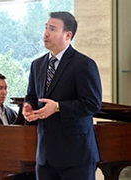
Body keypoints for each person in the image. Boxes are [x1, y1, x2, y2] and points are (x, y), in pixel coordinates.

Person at [22, 11, 102, 180]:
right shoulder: (37, 65)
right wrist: (28, 106)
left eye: (52, 29)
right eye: (45, 28)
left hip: (76, 156)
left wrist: (58, 107)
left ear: (67, 35)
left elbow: (92, 104)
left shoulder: (84, 64)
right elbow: (31, 96)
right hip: (45, 157)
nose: (45, 33)